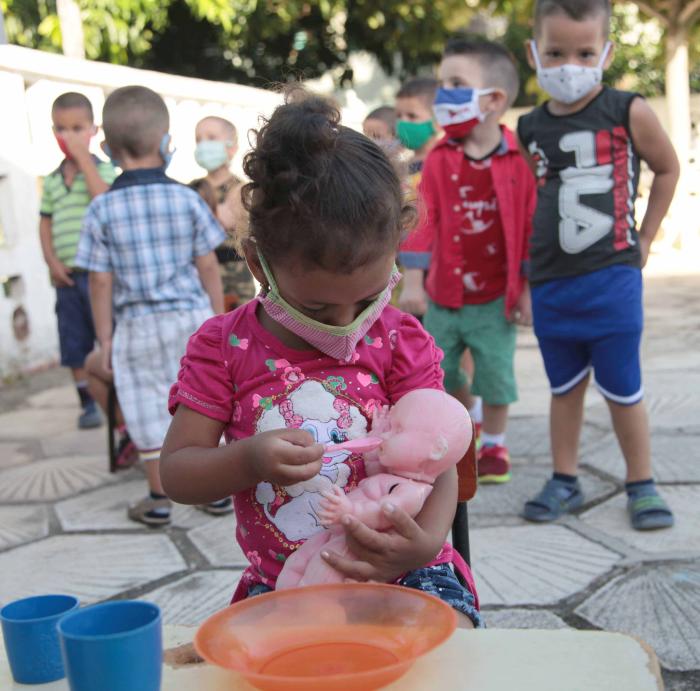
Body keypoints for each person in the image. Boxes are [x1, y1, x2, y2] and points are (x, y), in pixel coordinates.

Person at [160, 93, 482, 628]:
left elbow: (439, 454)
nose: (345, 321)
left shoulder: (401, 338)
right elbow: (178, 472)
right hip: (285, 583)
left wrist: (424, 543)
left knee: (444, 660)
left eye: (368, 296)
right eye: (317, 305)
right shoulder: (223, 348)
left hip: (407, 573)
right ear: (259, 265)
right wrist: (249, 460)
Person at [518, 0, 678, 530]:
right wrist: (520, 279)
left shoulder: (627, 109)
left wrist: (647, 237)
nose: (570, 64)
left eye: (585, 52)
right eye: (557, 52)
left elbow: (667, 167)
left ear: (606, 52)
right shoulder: (529, 126)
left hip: (611, 277)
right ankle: (565, 477)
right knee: (564, 388)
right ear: (534, 53)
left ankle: (642, 482)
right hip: (550, 282)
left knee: (622, 387)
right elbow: (529, 200)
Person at [74, 86, 227, 526]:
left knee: (143, 403)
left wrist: (104, 337)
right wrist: (217, 319)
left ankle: (159, 498)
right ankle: (213, 491)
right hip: (191, 320)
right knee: (202, 400)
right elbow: (208, 266)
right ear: (167, 143)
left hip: (136, 324)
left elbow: (100, 281)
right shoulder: (187, 199)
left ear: (105, 148)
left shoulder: (101, 208)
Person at [399, 39, 536, 484]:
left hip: (496, 297)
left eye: (457, 84)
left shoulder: (520, 159)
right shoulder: (439, 156)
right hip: (444, 294)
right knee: (445, 369)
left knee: (496, 373)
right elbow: (424, 221)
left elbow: (532, 228)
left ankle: (494, 443)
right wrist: (414, 281)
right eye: (443, 84)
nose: (444, 94)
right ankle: (469, 417)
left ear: (494, 100)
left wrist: (528, 291)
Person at [39, 92, 116, 429]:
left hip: (99, 276)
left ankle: (115, 396)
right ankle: (86, 402)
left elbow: (104, 200)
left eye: (76, 128)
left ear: (93, 130)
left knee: (107, 337)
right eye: (60, 129)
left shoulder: (105, 171)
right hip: (66, 277)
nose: (67, 136)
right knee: (73, 341)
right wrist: (51, 262)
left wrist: (85, 160)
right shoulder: (54, 180)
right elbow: (45, 223)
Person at [189, 116, 255, 310]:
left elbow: (227, 219)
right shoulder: (192, 189)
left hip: (234, 284)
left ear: (231, 147)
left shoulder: (241, 190)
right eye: (198, 139)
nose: (203, 144)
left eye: (211, 138)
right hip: (198, 282)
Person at [394, 77, 440, 186]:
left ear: (439, 122)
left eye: (412, 116)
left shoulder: (442, 164)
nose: (402, 122)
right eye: (398, 116)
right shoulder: (402, 167)